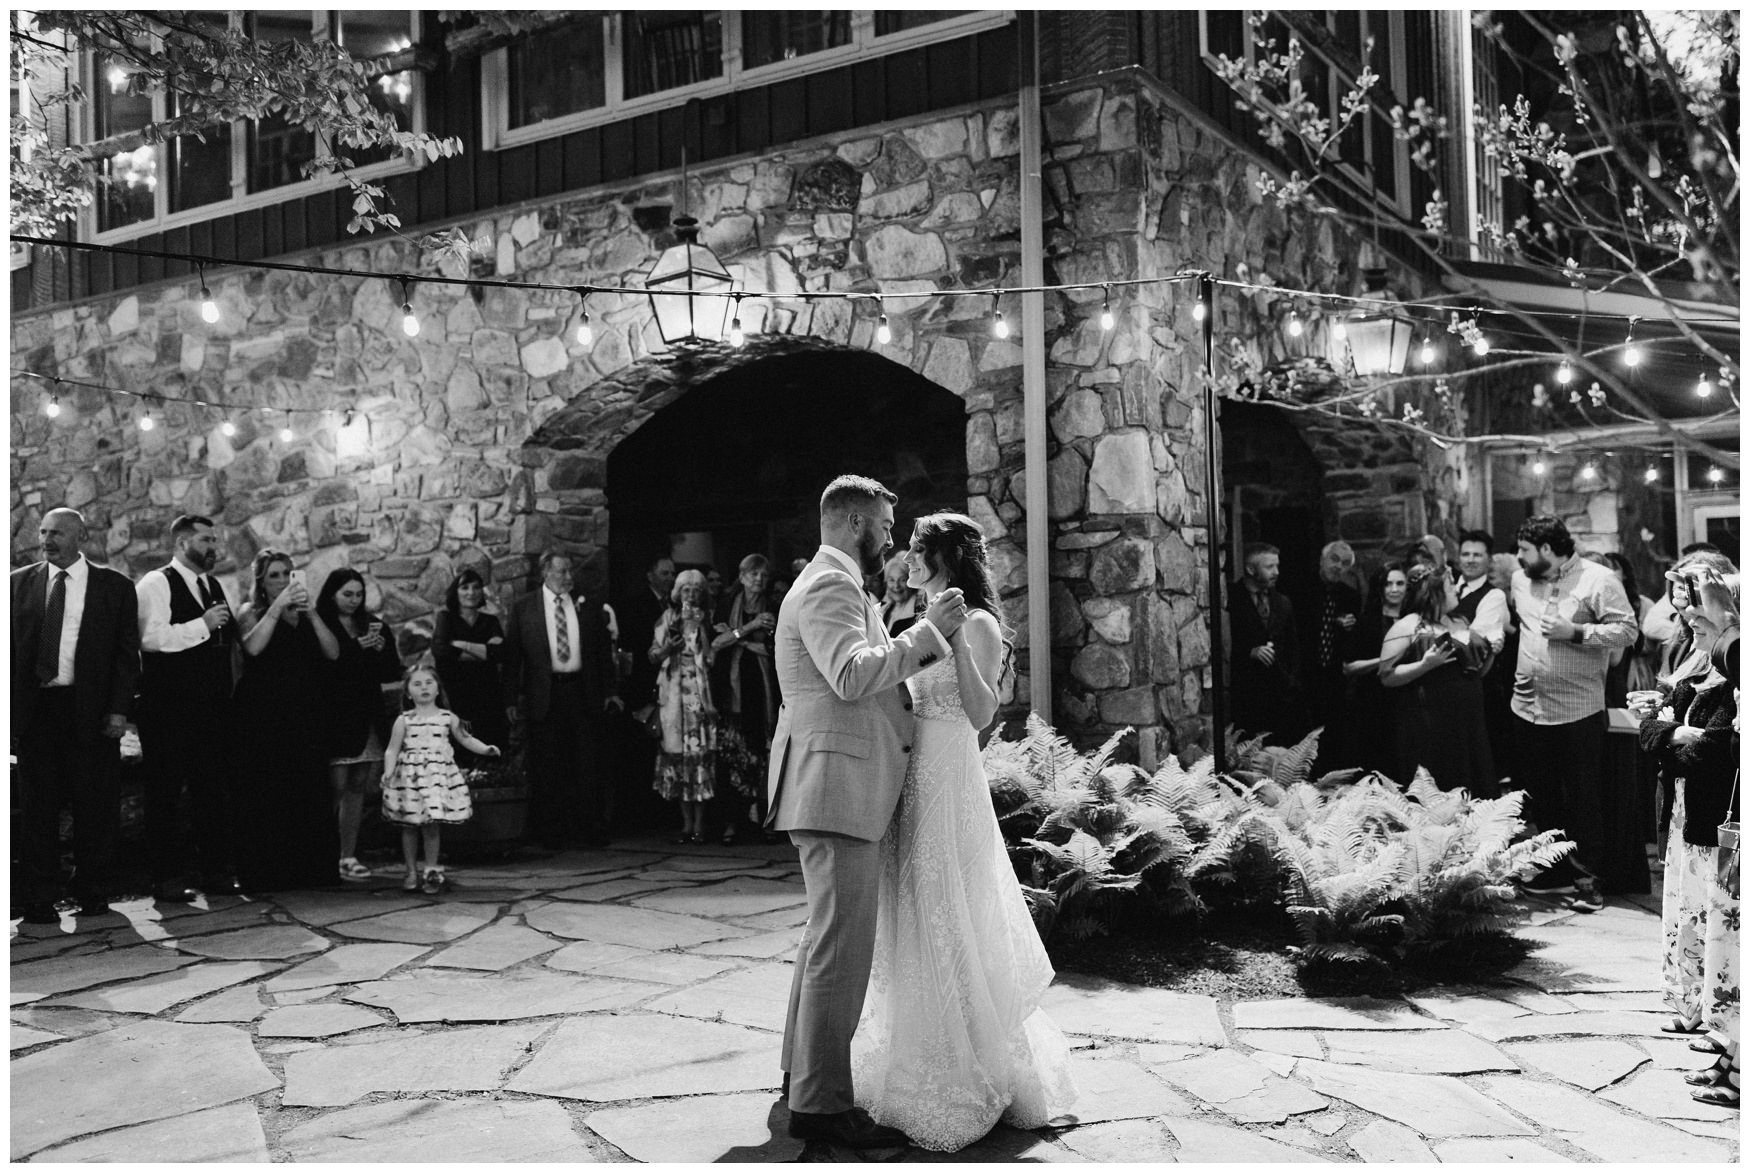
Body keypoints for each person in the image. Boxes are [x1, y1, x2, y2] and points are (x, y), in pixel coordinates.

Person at [852, 511, 1076, 1151]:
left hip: (951, 770)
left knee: (953, 904)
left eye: (919, 550)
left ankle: (970, 1062)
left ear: (945, 558)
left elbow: (980, 712)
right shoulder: (910, 621)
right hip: (909, 772)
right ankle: (917, 1047)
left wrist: (953, 641)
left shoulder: (976, 622)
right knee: (914, 907)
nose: (908, 560)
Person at [769, 474, 967, 1149]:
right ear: (855, 520)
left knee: (825, 942)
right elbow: (851, 673)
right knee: (840, 951)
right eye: (885, 522)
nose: (891, 534)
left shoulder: (837, 583)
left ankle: (802, 1076)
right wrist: (924, 634)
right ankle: (822, 1105)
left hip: (837, 782)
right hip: (835, 785)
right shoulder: (828, 584)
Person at [1635, 567, 1739, 1105]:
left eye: (1702, 617)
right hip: (1692, 818)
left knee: (1725, 934)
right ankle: (1725, 1047)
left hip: (1722, 827)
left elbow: (1712, 754)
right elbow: (1654, 734)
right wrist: (1674, 729)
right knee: (1705, 925)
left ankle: (1734, 1057)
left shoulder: (1733, 672)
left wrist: (1675, 734)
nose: (1691, 624)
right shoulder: (1700, 671)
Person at [11, 508, 140, 922]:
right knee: (38, 810)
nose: (46, 540)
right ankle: (39, 896)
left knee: (95, 807)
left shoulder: (114, 586)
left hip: (91, 711)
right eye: (43, 532)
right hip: (37, 713)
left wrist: (119, 710)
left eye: (57, 533)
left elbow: (126, 655)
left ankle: (93, 890)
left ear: (81, 536)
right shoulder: (18, 584)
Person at [1509, 514, 1638, 910]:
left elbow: (1628, 630)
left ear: (1547, 550)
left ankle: (1587, 881)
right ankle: (1552, 872)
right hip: (1527, 708)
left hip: (1578, 710)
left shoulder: (1598, 579)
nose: (1518, 557)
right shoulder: (1520, 581)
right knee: (1542, 796)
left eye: (1524, 550)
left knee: (1583, 799)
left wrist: (1576, 633)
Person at [135, 513, 240, 902]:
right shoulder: (156, 582)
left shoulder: (212, 584)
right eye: (206, 540)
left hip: (210, 708)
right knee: (164, 792)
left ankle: (215, 872)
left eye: (214, 540)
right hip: (167, 708)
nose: (213, 547)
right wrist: (204, 623)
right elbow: (151, 638)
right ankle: (165, 877)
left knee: (210, 790)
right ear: (182, 544)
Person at [230, 550, 340, 892]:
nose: (282, 580)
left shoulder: (306, 614)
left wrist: (314, 615)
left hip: (305, 711)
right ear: (261, 581)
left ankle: (313, 870)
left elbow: (333, 652)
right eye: (275, 575)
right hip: (264, 715)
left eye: (287, 573)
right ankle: (269, 872)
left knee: (308, 788)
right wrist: (276, 610)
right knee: (269, 790)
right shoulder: (252, 613)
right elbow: (253, 648)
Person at [505, 551, 622, 849]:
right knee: (547, 764)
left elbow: (601, 655)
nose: (569, 578)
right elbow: (513, 657)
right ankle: (549, 833)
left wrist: (609, 691)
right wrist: (511, 699)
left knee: (585, 762)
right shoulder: (524, 608)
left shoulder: (588, 607)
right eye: (562, 572)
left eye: (571, 572)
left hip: (581, 691)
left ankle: (587, 829)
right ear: (546, 572)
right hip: (545, 694)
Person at [315, 568, 403, 882]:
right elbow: (326, 669)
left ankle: (348, 855)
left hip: (366, 713)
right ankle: (324, 855)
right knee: (334, 785)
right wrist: (357, 648)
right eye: (347, 594)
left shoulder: (372, 624)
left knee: (358, 785)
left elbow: (392, 671)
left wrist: (380, 648)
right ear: (332, 594)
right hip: (335, 716)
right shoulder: (321, 624)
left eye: (358, 594)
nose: (354, 601)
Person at [1379, 562, 1495, 795]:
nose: (1456, 590)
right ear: (1433, 592)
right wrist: (1425, 665)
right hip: (1431, 723)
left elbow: (1474, 668)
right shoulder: (1407, 626)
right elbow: (1386, 676)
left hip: (1468, 721)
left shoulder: (1460, 621)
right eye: (1450, 585)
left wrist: (1490, 651)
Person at [382, 664, 499, 894]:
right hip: (410, 780)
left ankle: (432, 869)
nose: (424, 687)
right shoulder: (404, 720)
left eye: (429, 682)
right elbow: (391, 750)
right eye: (417, 684)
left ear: (438, 689)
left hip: (435, 779)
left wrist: (485, 749)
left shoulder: (448, 718)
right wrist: (388, 771)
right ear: (407, 692)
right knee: (409, 825)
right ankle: (410, 871)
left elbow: (466, 739)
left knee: (431, 825)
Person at [711, 553, 781, 845]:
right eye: (753, 574)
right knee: (733, 757)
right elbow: (716, 643)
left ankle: (763, 821)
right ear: (741, 577)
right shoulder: (727, 604)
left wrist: (737, 637)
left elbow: (773, 650)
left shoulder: (773, 606)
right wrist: (752, 628)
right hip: (732, 692)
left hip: (763, 690)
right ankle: (731, 822)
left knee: (763, 758)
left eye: (763, 575)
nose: (759, 580)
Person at [653, 569, 719, 843]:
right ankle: (685, 823)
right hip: (673, 696)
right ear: (677, 593)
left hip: (699, 696)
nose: (690, 595)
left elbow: (713, 658)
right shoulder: (668, 618)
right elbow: (653, 654)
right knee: (677, 756)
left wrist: (702, 631)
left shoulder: (709, 620)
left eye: (695, 590)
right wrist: (669, 647)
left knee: (698, 757)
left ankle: (700, 826)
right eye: (686, 590)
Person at [431, 568, 508, 767]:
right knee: (461, 754)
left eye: (476, 587)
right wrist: (483, 650)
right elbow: (440, 651)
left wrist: (461, 645)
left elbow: (498, 654)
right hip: (457, 695)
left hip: (488, 696)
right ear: (455, 592)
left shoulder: (490, 621)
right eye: (465, 587)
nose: (471, 592)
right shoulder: (446, 618)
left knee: (491, 750)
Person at [1229, 541, 1304, 744]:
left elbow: (1293, 648)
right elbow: (1222, 645)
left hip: (1280, 697)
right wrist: (1249, 652)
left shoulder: (1282, 602)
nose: (1276, 572)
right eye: (1269, 567)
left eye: (1277, 566)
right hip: (1246, 696)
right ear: (1251, 569)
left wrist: (1291, 682)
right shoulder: (1230, 599)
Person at [1342, 561, 1406, 779]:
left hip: (1407, 704)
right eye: (1389, 584)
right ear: (1380, 588)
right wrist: (1383, 661)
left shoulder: (1415, 620)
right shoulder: (1367, 622)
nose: (1394, 589)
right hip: (1373, 704)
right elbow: (1349, 667)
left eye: (1400, 583)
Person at [1304, 541, 1362, 766]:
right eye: (1334, 559)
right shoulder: (1302, 588)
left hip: (1335, 677)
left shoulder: (1351, 596)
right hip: (1307, 673)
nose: (1338, 566)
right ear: (1322, 560)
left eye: (1345, 563)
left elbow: (1354, 641)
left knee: (1335, 736)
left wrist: (1350, 626)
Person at [878, 551, 920, 636]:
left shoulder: (919, 612)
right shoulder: (883, 610)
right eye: (892, 580)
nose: (896, 586)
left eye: (902, 580)